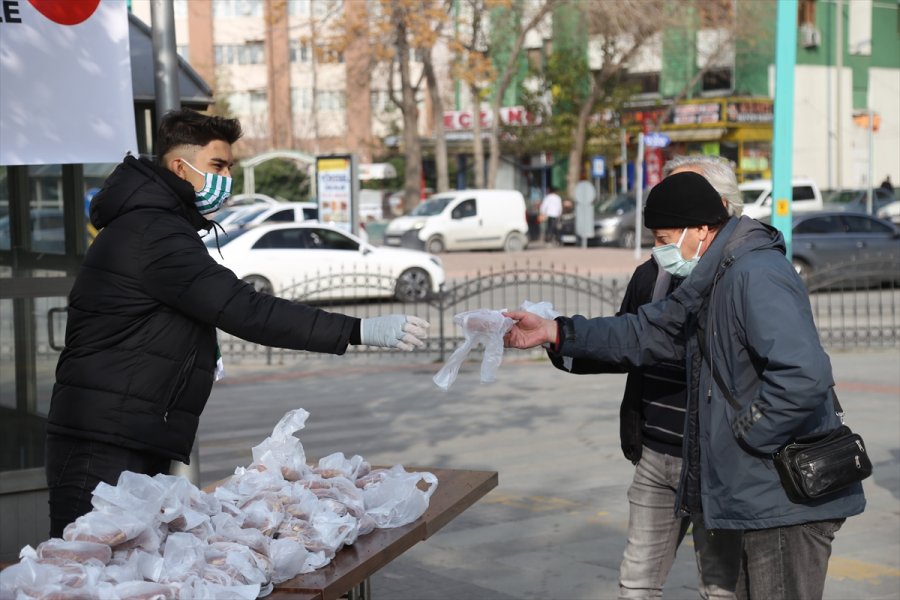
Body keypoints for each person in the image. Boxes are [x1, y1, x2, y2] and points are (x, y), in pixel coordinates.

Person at [46, 109, 429, 538]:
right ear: (179, 166)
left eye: (230, 167)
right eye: (217, 166)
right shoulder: (153, 232)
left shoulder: (157, 224)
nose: (225, 178)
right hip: (105, 440)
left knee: (124, 568)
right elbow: (245, 309)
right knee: (86, 568)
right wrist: (357, 330)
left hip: (128, 430)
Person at [504, 171, 865, 600]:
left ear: (701, 229)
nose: (659, 250)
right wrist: (555, 332)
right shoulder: (713, 274)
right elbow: (646, 331)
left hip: (784, 497)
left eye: (664, 237)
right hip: (759, 492)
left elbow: (803, 376)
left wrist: (748, 431)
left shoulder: (756, 273)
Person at [545, 157, 744, 599]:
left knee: (721, 588)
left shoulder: (746, 279)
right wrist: (557, 339)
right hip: (657, 455)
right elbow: (625, 341)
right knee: (636, 583)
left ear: (713, 217)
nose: (667, 212)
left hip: (719, 462)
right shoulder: (652, 274)